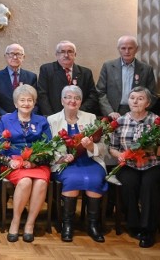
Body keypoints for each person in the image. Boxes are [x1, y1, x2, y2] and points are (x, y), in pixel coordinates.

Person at [109, 86, 160, 249]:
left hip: (153, 164)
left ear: (148, 103)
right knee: (129, 184)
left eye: (140, 98)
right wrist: (119, 155)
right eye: (132, 98)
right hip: (129, 164)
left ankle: (148, 230)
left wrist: (155, 150)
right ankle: (133, 225)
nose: (135, 101)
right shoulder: (120, 121)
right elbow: (112, 147)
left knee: (149, 185)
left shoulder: (157, 121)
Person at [48, 85, 107, 243]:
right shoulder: (52, 120)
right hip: (65, 163)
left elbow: (102, 146)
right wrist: (60, 157)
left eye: (77, 98)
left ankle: (93, 225)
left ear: (81, 102)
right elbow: (49, 147)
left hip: (90, 160)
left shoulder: (91, 118)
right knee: (73, 180)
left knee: (95, 180)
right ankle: (67, 224)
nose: (72, 100)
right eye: (68, 97)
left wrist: (90, 147)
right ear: (62, 100)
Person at [0, 84, 51, 243]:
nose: (26, 103)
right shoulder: (6, 119)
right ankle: (15, 221)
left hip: (37, 164)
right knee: (26, 181)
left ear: (34, 103)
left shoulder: (42, 121)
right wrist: (9, 161)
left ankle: (29, 224)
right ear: (15, 103)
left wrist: (34, 162)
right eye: (22, 100)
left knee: (41, 182)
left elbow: (48, 147)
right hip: (13, 163)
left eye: (30, 100)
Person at [97, 35, 157, 119]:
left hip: (138, 113)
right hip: (114, 112)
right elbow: (100, 92)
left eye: (130, 48)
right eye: (123, 48)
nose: (127, 51)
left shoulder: (147, 69)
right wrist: (109, 112)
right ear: (118, 49)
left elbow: (152, 95)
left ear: (136, 49)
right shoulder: (108, 67)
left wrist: (141, 109)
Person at [37, 40, 98, 116]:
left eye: (70, 52)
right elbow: (42, 95)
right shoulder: (46, 70)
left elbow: (92, 96)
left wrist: (79, 112)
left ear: (75, 54)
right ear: (56, 54)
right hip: (54, 117)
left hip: (79, 117)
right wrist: (51, 117)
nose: (66, 55)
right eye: (62, 52)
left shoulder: (86, 73)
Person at [0, 43, 38, 116]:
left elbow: (35, 101)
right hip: (3, 119)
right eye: (11, 54)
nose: (15, 57)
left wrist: (27, 115)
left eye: (18, 54)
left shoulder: (31, 77)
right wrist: (7, 116)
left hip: (27, 119)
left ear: (23, 57)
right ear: (5, 56)